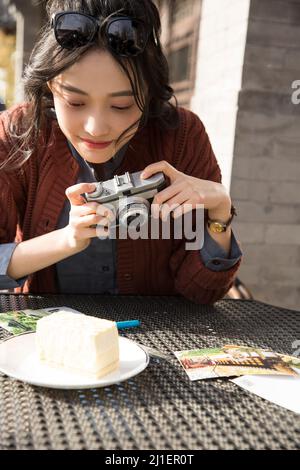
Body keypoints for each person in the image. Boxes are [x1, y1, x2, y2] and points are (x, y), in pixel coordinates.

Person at [0, 0, 242, 304]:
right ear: (50, 86)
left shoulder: (182, 136)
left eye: (121, 106)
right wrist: (66, 239)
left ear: (150, 94)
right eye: (75, 103)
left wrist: (220, 214)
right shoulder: (19, 132)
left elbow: (202, 292)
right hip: (47, 336)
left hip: (159, 339)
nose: (96, 128)